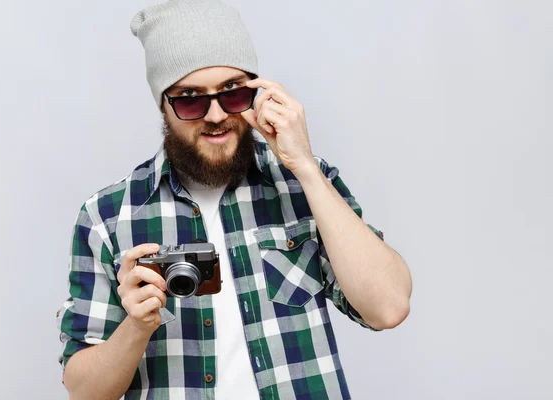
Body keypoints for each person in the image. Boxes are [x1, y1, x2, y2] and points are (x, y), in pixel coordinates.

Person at [56, 0, 412, 399]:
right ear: (163, 105)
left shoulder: (305, 185)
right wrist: (136, 326)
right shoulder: (107, 216)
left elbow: (388, 307)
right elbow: (85, 392)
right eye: (190, 98)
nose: (215, 115)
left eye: (233, 92)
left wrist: (306, 168)